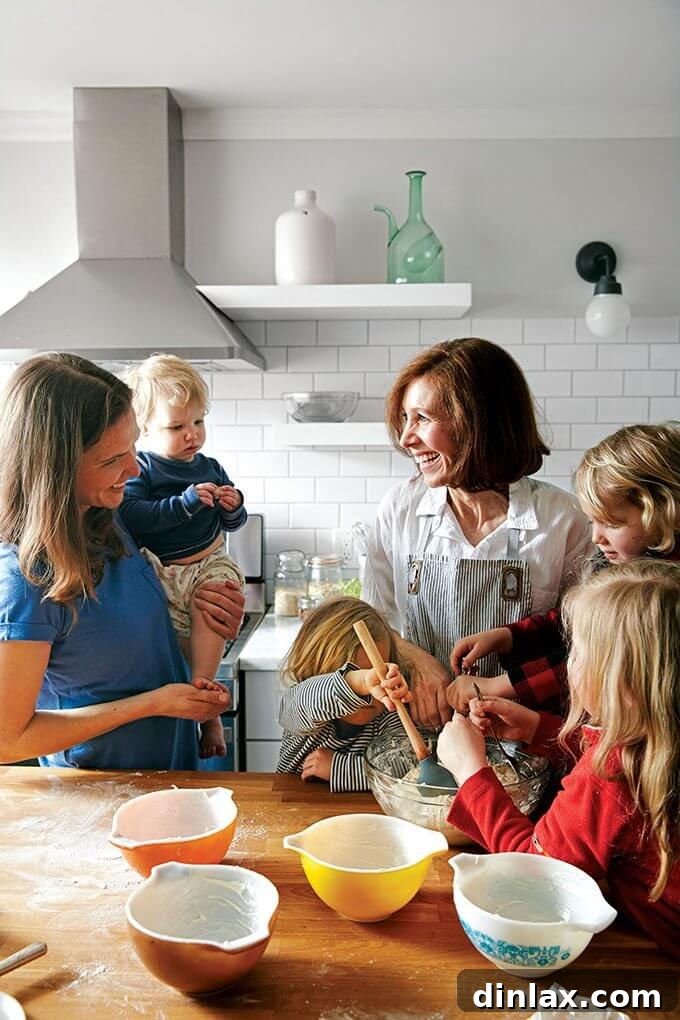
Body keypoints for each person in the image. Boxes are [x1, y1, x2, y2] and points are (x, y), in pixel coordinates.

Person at [0, 353, 245, 770]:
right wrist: (151, 704)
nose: (133, 469)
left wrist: (208, 623)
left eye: (132, 447)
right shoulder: (26, 580)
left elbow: (132, 651)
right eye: (111, 460)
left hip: (169, 774)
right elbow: (8, 740)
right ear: (56, 468)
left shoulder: (113, 526)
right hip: (94, 799)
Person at [437, 561, 680, 960]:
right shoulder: (659, 736)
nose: (570, 665)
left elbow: (536, 873)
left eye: (577, 652)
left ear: (621, 682)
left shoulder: (610, 776)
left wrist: (470, 772)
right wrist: (540, 731)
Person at [361, 338, 591, 729]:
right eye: (405, 419)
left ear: (478, 421)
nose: (406, 438)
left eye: (423, 419)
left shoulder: (563, 519)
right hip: (420, 727)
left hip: (524, 737)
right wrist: (416, 659)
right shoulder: (400, 508)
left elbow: (583, 645)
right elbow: (373, 618)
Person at [448, 422, 680, 713]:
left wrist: (499, 685)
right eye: (593, 520)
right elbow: (573, 618)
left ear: (667, 512)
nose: (597, 537)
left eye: (613, 523)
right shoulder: (618, 559)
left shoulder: (660, 593)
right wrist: (509, 637)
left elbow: (590, 660)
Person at [119, 354, 246, 759]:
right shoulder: (141, 470)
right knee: (177, 638)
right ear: (143, 429)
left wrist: (232, 505)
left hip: (209, 561)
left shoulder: (210, 466)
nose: (192, 435)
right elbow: (135, 517)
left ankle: (203, 698)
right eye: (177, 427)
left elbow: (235, 523)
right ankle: (199, 705)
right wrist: (186, 503)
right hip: (164, 570)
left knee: (213, 602)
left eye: (198, 422)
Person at [276, 596, 411, 792]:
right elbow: (294, 708)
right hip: (295, 811)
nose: (372, 691)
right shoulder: (302, 704)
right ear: (317, 673)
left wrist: (340, 768)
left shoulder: (387, 713)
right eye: (361, 677)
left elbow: (404, 771)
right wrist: (358, 683)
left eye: (379, 677)